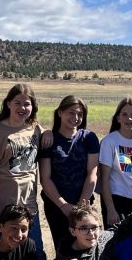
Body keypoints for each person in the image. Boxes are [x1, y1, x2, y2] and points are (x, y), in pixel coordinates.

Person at [0, 84, 46, 260]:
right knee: (3, 255)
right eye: (17, 103)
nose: (22, 108)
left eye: (27, 104)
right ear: (8, 103)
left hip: (29, 204)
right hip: (3, 204)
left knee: (35, 253)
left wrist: (48, 132)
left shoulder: (35, 129)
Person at [39, 95, 100, 250]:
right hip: (56, 205)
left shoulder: (89, 138)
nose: (76, 117)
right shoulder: (49, 140)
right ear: (60, 112)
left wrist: (81, 205)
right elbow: (45, 179)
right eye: (71, 113)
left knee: (86, 245)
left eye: (80, 114)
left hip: (84, 203)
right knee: (63, 247)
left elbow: (92, 173)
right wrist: (64, 206)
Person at [99, 96, 132, 227]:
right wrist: (110, 209)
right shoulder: (109, 141)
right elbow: (104, 179)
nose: (129, 118)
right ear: (118, 118)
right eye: (124, 114)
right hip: (116, 199)